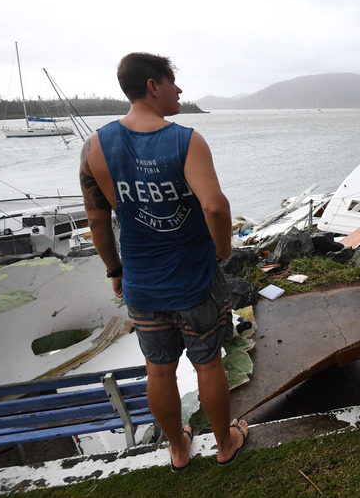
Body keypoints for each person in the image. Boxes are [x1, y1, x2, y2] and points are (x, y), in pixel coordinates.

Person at [79, 52, 248, 471]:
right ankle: (224, 443)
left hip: (142, 282)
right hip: (195, 279)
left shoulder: (94, 146)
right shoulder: (185, 139)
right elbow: (215, 206)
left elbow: (97, 220)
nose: (179, 91)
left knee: (160, 369)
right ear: (153, 85)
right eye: (173, 82)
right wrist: (223, 249)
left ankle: (177, 449)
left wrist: (115, 271)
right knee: (208, 363)